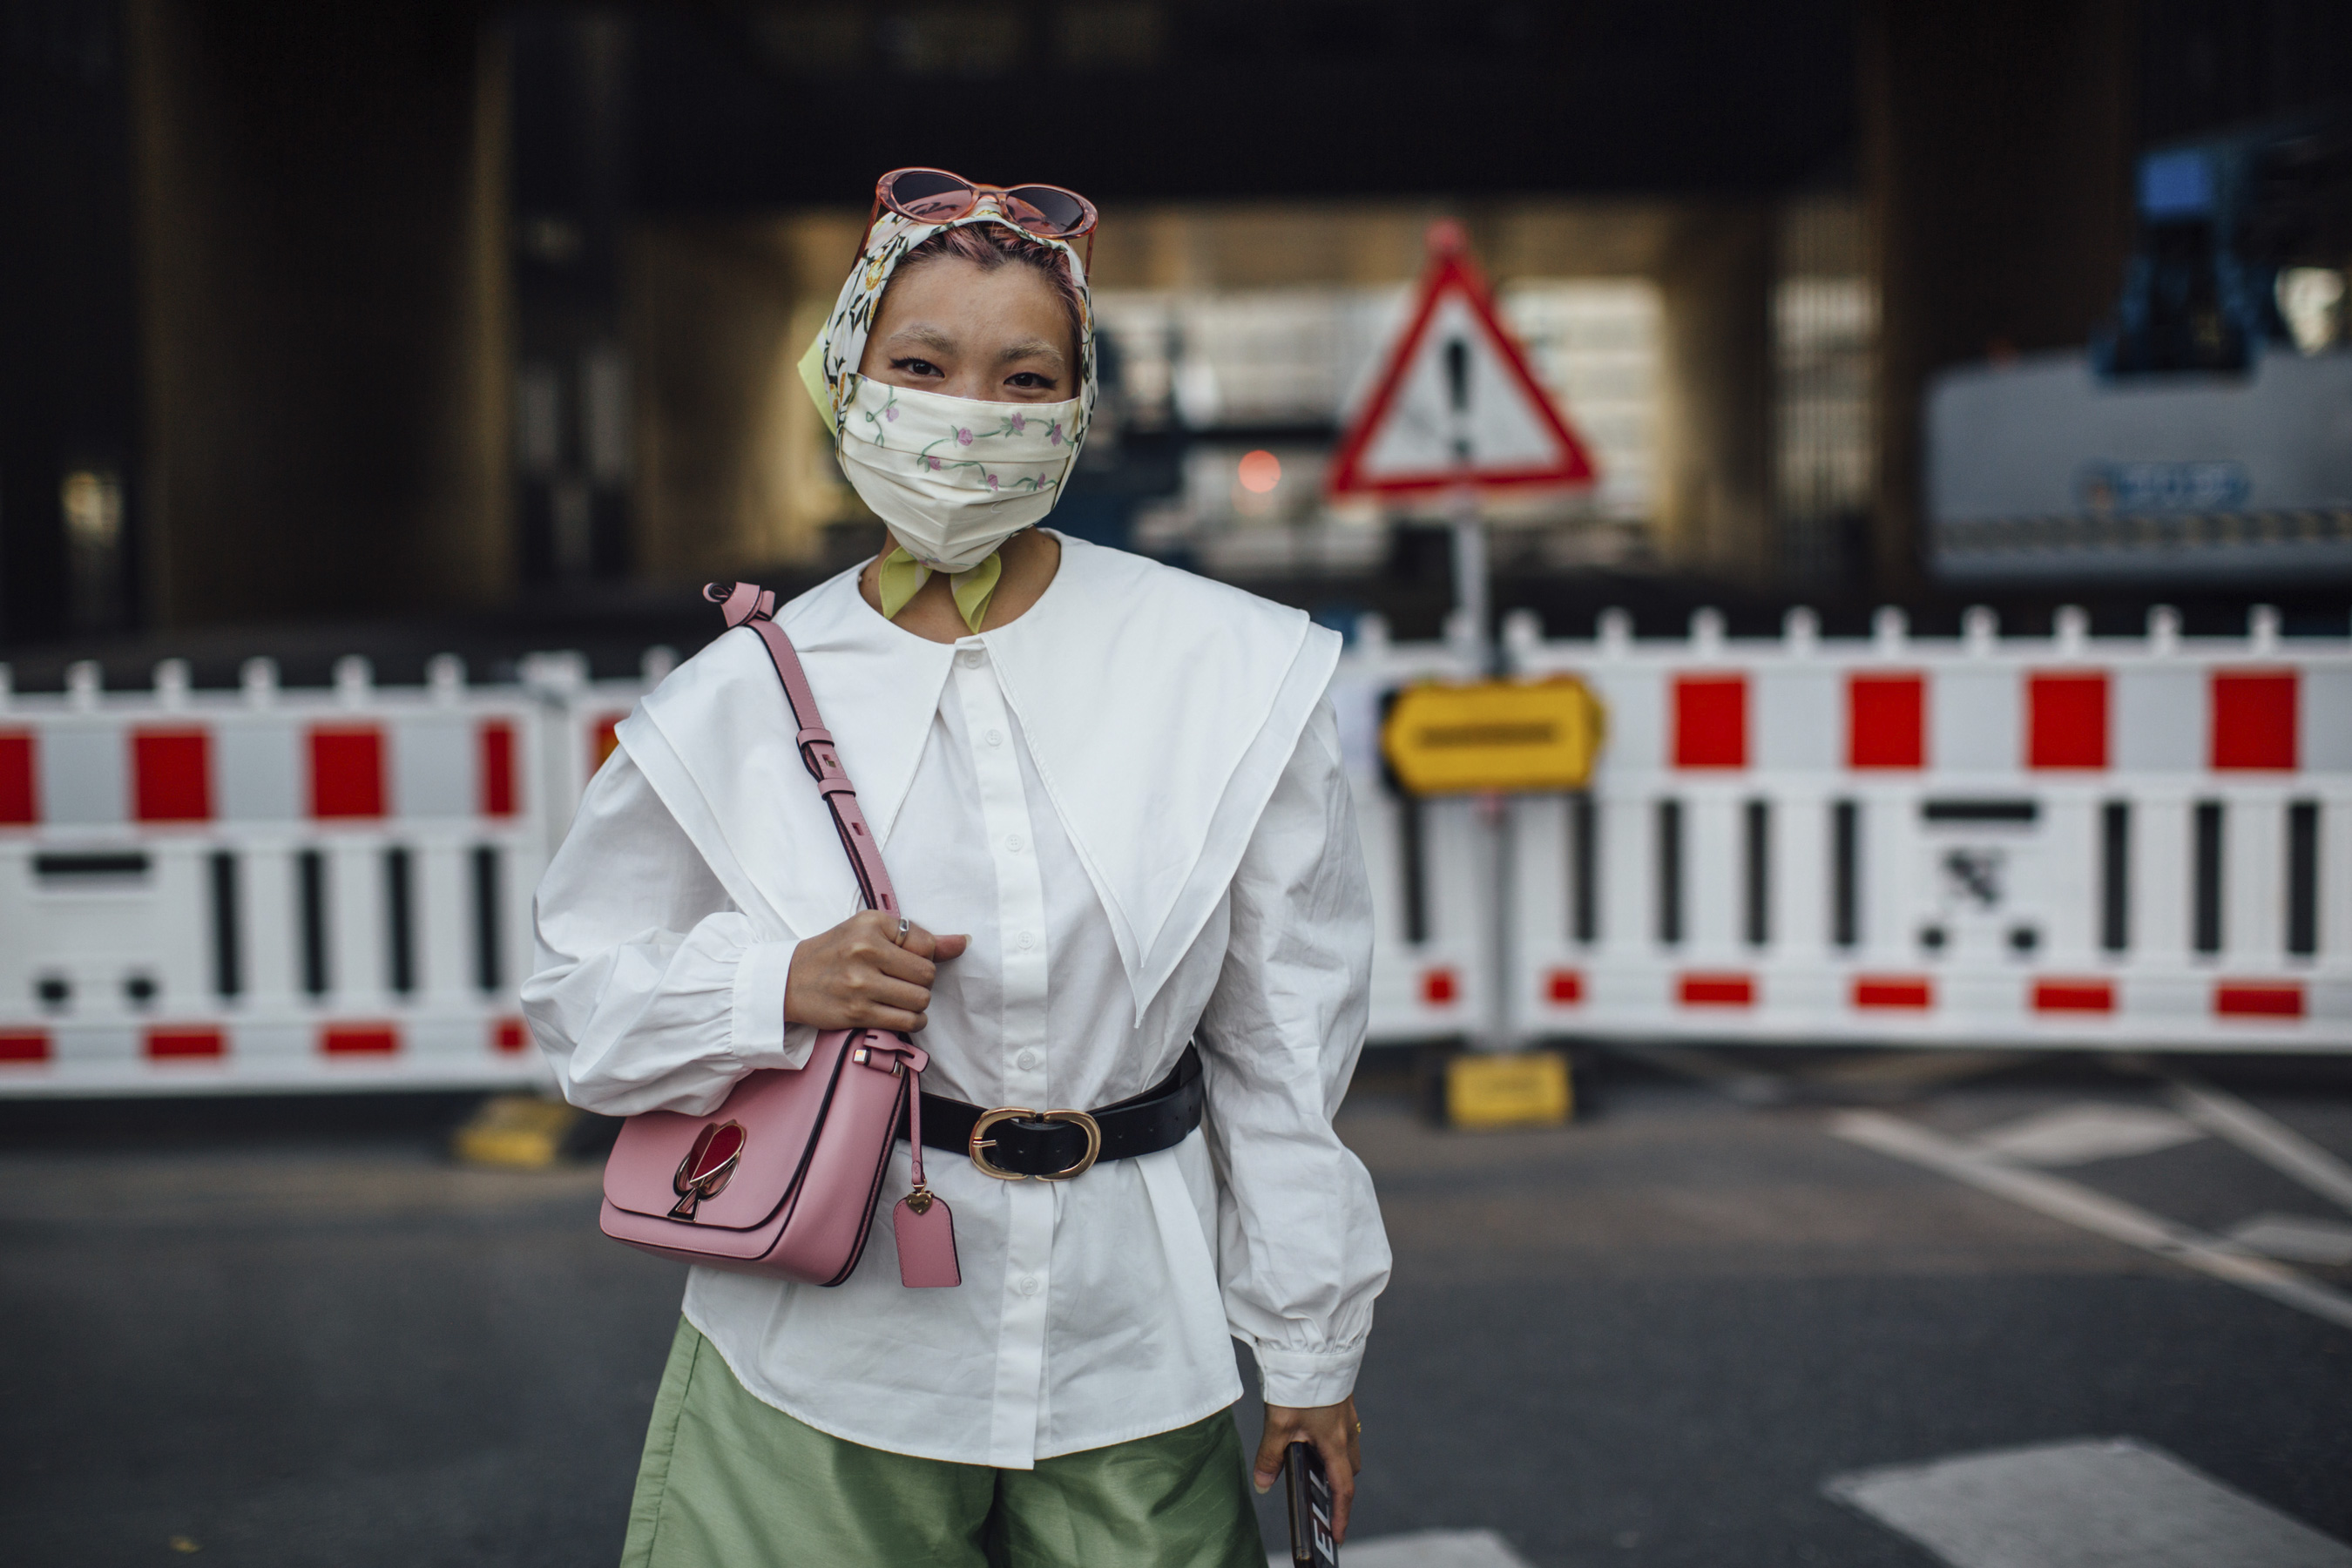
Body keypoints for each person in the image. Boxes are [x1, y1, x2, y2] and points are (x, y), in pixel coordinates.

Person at [524, 169, 1389, 1568]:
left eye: (1023, 375)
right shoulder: (738, 697)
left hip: (1131, 1355)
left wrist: (1311, 1346)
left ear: (1077, 409)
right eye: (920, 364)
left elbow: (1286, 1051)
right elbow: (579, 1011)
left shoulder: (1234, 671)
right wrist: (777, 986)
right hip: (817, 1354)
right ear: (847, 380)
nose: (967, 413)